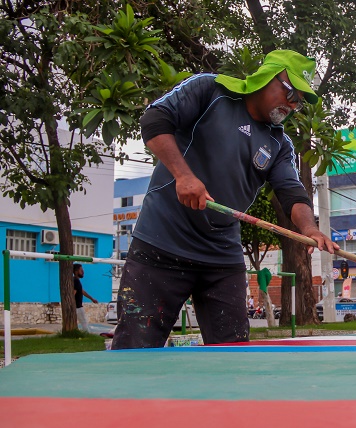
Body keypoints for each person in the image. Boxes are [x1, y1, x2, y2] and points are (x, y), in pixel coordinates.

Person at [111, 50, 337, 349]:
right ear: (268, 76)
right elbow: (154, 120)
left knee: (233, 353)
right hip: (161, 244)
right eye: (291, 92)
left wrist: (309, 229)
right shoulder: (209, 90)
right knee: (135, 349)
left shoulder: (279, 144)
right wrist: (184, 176)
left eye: (299, 102)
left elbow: (291, 192)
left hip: (221, 256)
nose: (293, 105)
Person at [73, 264, 98, 331]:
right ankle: (87, 334)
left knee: (81, 321)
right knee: (84, 322)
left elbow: (82, 291)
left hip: (77, 306)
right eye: (81, 270)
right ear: (76, 271)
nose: (83, 272)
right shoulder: (76, 281)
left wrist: (92, 299)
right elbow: (73, 293)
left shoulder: (76, 281)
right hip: (77, 307)